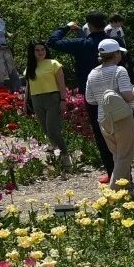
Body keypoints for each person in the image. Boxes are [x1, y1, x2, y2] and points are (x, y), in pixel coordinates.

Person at [48, 13, 112, 181]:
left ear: (89, 25)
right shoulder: (114, 43)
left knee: (101, 133)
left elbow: (52, 41)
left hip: (93, 96)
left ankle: (113, 173)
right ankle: (123, 172)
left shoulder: (83, 44)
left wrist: (67, 26)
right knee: (119, 133)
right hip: (116, 92)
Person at [85, 38, 134, 189]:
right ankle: (113, 192)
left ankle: (126, 188)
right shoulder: (119, 70)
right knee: (125, 156)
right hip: (122, 117)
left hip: (103, 118)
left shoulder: (92, 73)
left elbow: (90, 99)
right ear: (115, 54)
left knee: (117, 156)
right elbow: (127, 95)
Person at [23, 40, 71, 171]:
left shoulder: (53, 64)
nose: (40, 52)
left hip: (52, 98)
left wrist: (63, 100)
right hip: (36, 99)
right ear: (32, 52)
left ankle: (65, 155)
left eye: (42, 50)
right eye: (37, 50)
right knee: (45, 130)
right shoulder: (30, 67)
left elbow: (61, 84)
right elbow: (28, 86)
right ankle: (57, 156)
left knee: (53, 129)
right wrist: (25, 102)